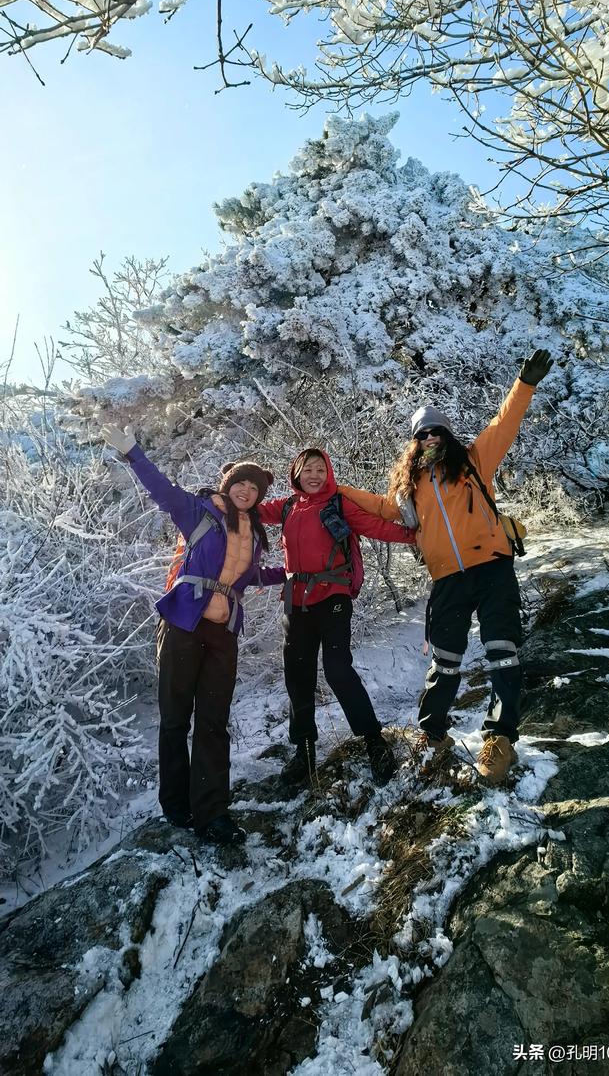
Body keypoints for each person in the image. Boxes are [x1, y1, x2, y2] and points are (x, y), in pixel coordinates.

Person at [338, 351, 554, 785]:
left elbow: (503, 424)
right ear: (414, 442)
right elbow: (383, 509)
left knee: (502, 651)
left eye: (437, 431)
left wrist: (524, 384)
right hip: (447, 580)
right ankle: (432, 734)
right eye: (423, 434)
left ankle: (500, 739)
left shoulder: (474, 462)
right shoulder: (409, 487)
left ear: (448, 435)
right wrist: (335, 488)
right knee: (446, 660)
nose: (431, 438)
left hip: (492, 568)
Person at [102, 423, 285, 844]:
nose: (246, 491)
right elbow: (162, 490)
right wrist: (133, 451)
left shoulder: (253, 534)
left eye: (253, 488)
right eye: (240, 483)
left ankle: (213, 812)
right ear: (228, 484)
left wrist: (289, 574)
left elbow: (248, 576)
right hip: (183, 623)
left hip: (223, 633)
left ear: (258, 498)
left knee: (213, 722)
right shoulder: (199, 512)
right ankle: (176, 806)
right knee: (175, 719)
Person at [257, 447, 416, 788]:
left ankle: (374, 741)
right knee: (297, 674)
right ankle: (304, 750)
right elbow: (248, 509)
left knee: (337, 669)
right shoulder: (286, 506)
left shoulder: (338, 504)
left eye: (320, 469)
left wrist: (417, 535)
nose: (314, 475)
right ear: (296, 474)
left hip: (333, 597)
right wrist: (223, 496)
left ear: (328, 473)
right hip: (295, 602)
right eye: (307, 469)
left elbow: (376, 526)